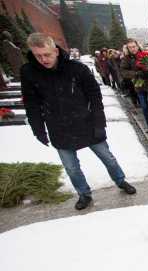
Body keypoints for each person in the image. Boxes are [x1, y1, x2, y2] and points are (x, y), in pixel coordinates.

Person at [21, 33, 136, 211]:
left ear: (56, 51)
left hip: (86, 122)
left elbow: (94, 95)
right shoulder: (29, 72)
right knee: (71, 168)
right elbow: (31, 103)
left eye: (47, 54)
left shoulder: (76, 68)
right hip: (59, 128)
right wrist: (38, 130)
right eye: (38, 56)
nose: (43, 59)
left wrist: (99, 122)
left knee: (108, 158)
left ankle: (121, 181)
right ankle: (84, 194)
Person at [120, 38, 148, 133]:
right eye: (130, 47)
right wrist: (135, 73)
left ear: (137, 46)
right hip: (139, 84)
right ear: (127, 48)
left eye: (134, 46)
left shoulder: (145, 54)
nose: (133, 49)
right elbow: (124, 72)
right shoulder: (126, 58)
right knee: (144, 107)